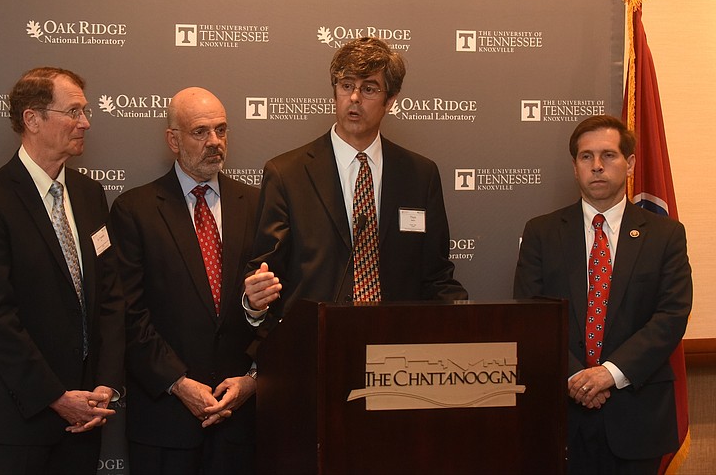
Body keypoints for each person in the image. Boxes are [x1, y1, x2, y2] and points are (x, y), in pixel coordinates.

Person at [0, 67, 124, 473]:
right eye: (73, 111)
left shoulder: (89, 194)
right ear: (32, 119)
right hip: (18, 421)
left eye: (85, 111)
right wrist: (56, 396)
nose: (85, 122)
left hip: (85, 418)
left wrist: (104, 385)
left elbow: (111, 298)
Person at [244, 36, 467, 324]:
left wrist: (467, 319)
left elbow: (436, 276)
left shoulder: (420, 176)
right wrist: (255, 299)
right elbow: (266, 272)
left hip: (395, 348)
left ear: (391, 100)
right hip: (315, 346)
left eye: (369, 88)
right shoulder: (287, 173)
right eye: (346, 85)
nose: (354, 98)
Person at [513, 115, 692, 474]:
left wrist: (609, 373)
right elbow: (531, 317)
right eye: (585, 157)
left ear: (630, 164)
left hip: (637, 414)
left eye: (608, 155)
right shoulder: (542, 233)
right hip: (561, 413)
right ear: (575, 166)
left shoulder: (665, 235)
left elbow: (670, 316)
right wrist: (576, 378)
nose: (596, 166)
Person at [109, 87, 259, 474]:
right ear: (173, 140)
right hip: (164, 421)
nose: (215, 142)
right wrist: (178, 383)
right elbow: (130, 313)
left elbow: (278, 306)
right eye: (200, 132)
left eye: (222, 130)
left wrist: (253, 379)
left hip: (239, 419)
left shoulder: (257, 205)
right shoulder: (135, 210)